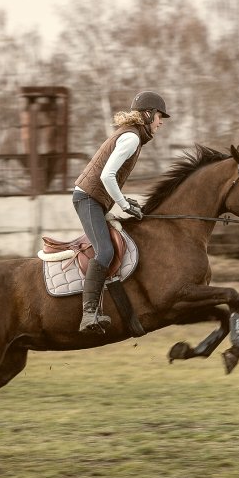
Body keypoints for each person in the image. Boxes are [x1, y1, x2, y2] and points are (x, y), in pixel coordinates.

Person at [72, 90, 169, 334]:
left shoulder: (133, 136)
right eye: (159, 117)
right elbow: (106, 175)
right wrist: (124, 205)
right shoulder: (132, 138)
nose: (160, 122)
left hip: (94, 198)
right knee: (104, 251)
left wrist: (124, 199)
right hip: (87, 198)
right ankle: (88, 313)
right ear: (147, 115)